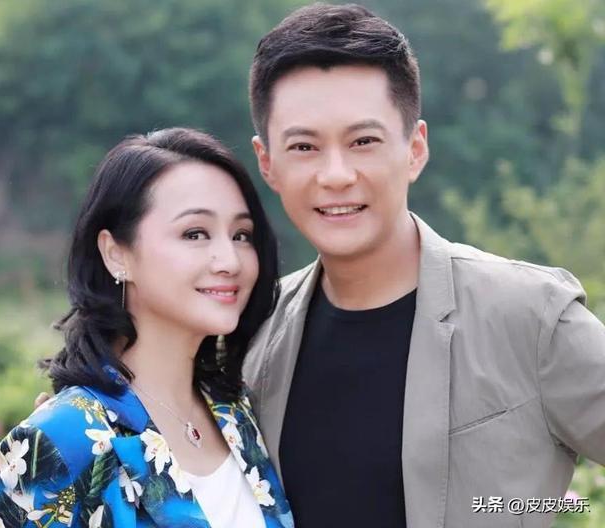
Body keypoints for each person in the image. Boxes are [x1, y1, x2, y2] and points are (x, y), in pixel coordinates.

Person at [242, 3, 605, 528]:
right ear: (267, 162)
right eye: (304, 146)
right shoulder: (254, 333)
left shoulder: (531, 316)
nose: (336, 174)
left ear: (415, 149)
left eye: (363, 141)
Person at [0, 128, 293, 528]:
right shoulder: (61, 442)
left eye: (241, 235)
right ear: (115, 254)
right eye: (195, 233)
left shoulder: (238, 412)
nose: (230, 260)